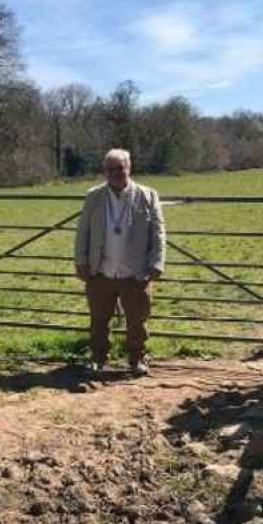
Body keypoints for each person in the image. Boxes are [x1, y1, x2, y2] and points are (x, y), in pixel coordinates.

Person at [74, 149, 166, 376]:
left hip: (136, 272)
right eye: (110, 169)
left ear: (129, 168)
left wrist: (157, 262)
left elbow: (158, 231)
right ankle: (97, 358)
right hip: (100, 271)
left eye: (120, 168)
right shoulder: (93, 196)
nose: (115, 173)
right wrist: (81, 260)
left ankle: (137, 358)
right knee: (98, 319)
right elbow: (82, 230)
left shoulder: (148, 195)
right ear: (104, 171)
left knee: (137, 320)